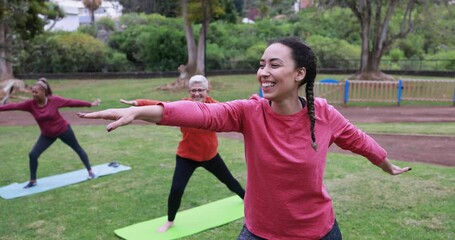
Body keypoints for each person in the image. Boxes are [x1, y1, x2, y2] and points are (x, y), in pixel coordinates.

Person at [78, 38, 412, 239]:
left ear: (300, 74)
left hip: (319, 232)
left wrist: (386, 164)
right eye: (261, 64)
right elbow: (203, 114)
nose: (263, 71)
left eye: (274, 65)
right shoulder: (249, 112)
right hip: (259, 233)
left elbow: (358, 140)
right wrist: (148, 111)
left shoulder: (323, 114)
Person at [119, 75, 245, 232]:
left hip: (210, 156)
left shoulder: (216, 107)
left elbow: (235, 114)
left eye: (200, 90)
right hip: (187, 156)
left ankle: (247, 201)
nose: (197, 93)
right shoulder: (184, 105)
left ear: (208, 91)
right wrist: (138, 104)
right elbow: (162, 106)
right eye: (194, 90)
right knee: (177, 189)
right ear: (189, 91)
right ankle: (170, 221)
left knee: (230, 181)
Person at [0, 78, 101, 188]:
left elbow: (71, 102)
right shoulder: (30, 104)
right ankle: (33, 181)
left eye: (36, 92)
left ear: (43, 92)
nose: (34, 94)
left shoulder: (54, 100)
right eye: (32, 92)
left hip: (63, 130)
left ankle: (90, 171)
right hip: (47, 135)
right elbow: (14, 106)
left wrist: (90, 104)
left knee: (77, 148)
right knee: (33, 155)